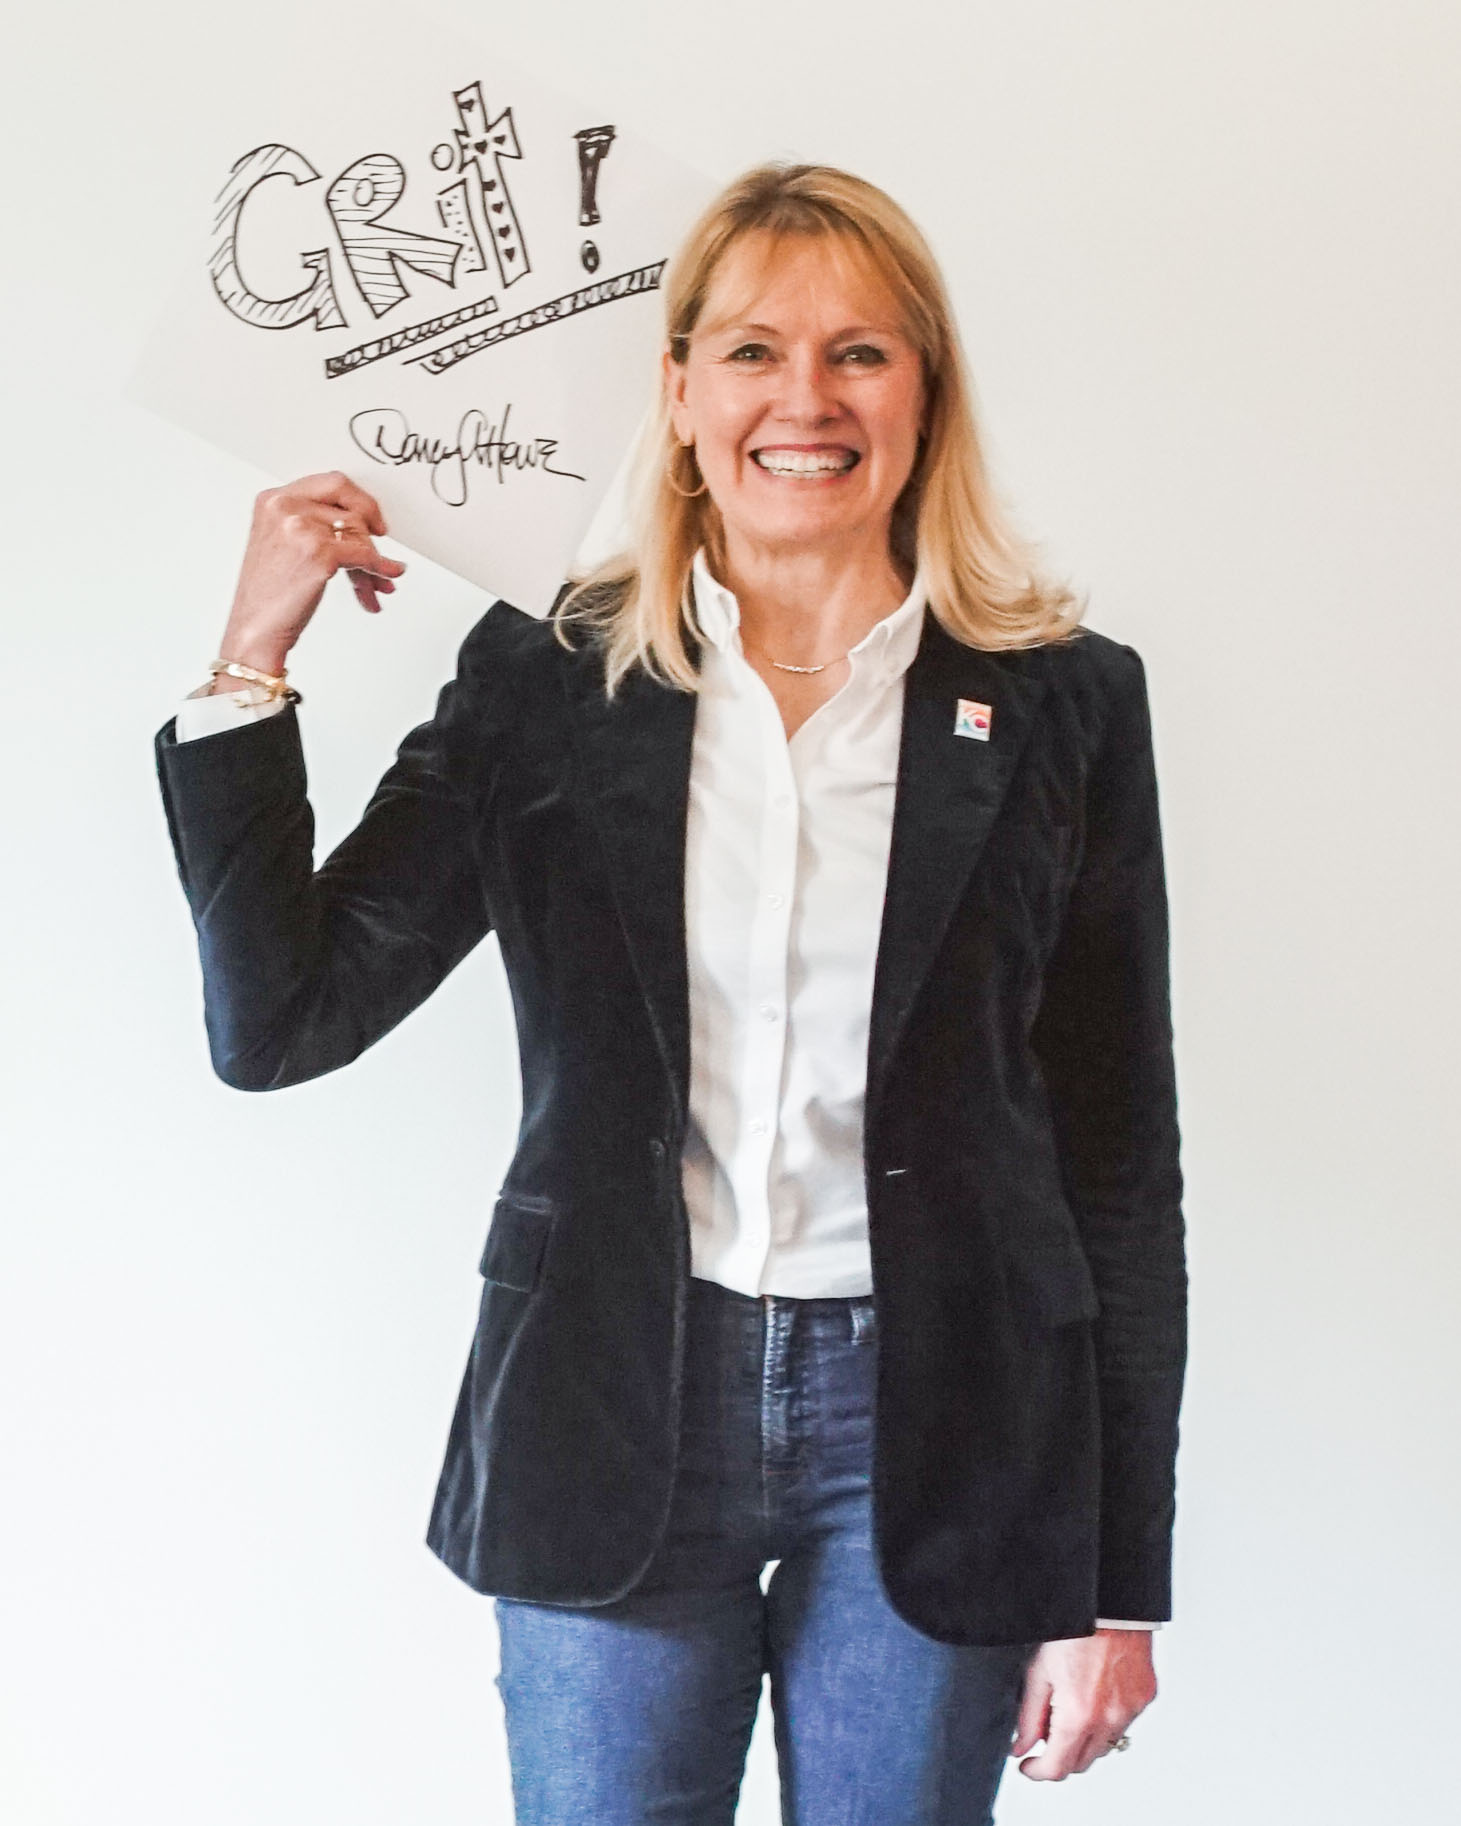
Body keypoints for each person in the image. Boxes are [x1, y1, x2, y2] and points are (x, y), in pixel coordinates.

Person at [154, 162, 1186, 1825]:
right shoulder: (547, 676)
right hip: (615, 1388)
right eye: (754, 350)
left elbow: (1120, 1158)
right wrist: (251, 658)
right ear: (682, 391)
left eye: (860, 352)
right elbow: (282, 1019)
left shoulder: (1062, 700)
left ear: (924, 393)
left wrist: (1116, 1578)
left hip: (947, 1420)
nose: (805, 398)